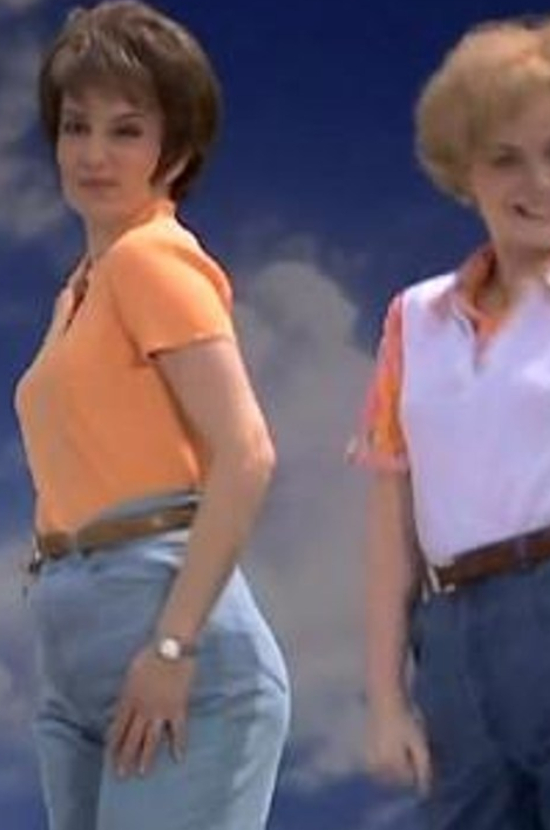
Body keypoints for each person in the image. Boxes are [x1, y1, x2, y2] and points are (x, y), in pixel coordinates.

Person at [14, 3, 290, 828]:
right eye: (76, 127)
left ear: (177, 149)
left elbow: (246, 452)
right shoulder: (79, 288)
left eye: (127, 131)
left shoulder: (151, 259)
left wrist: (173, 648)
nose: (93, 154)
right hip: (74, 638)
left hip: (167, 638)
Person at [358, 16, 550, 829]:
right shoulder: (415, 319)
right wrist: (386, 698)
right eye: (505, 157)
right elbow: (391, 522)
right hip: (453, 644)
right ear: (463, 170)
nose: (535, 181)